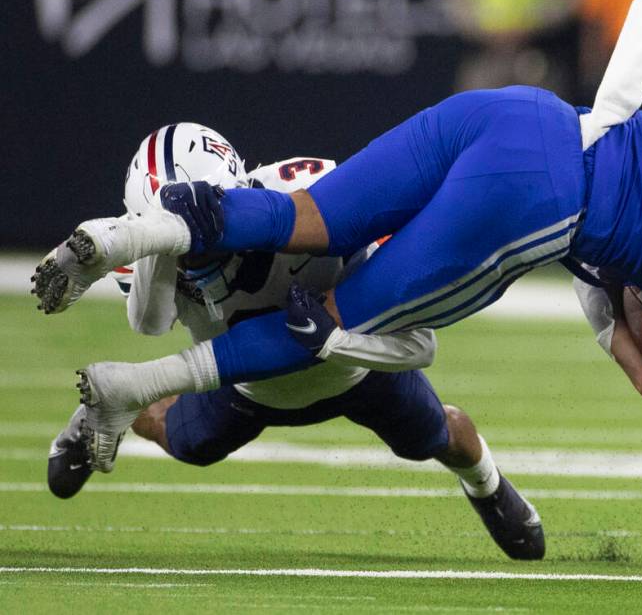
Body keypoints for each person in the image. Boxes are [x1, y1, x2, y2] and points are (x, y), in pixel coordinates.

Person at [33, 0, 642, 579]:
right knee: (336, 328)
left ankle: (141, 226)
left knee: (313, 218)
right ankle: (125, 386)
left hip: (521, 118)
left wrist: (632, 360)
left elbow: (617, 245)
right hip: (534, 198)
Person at [44, 123, 545, 562]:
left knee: (438, 436)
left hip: (354, 369)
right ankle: (108, 408)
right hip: (244, 385)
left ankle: (488, 484)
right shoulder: (147, 258)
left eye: (207, 224)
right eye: (176, 233)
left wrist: (339, 339)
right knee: (188, 443)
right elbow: (149, 322)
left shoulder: (312, 194)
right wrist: (145, 244)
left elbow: (419, 332)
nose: (200, 245)